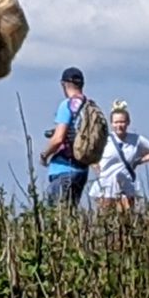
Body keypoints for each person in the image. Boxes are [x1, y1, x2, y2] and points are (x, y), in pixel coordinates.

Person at [87, 101, 149, 213]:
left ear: (128, 122)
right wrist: (95, 166)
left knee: (126, 218)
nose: (119, 125)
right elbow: (89, 152)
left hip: (126, 186)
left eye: (122, 122)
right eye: (116, 122)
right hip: (106, 185)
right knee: (105, 217)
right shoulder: (104, 139)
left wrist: (139, 161)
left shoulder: (136, 139)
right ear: (111, 123)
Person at [38, 66, 92, 208]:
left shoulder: (67, 105)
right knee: (70, 215)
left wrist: (45, 155)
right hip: (82, 170)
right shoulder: (89, 106)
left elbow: (58, 138)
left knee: (56, 216)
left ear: (63, 84)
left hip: (64, 169)